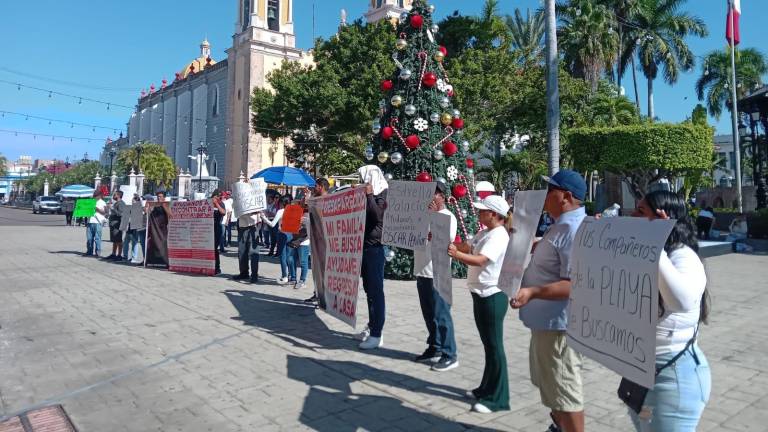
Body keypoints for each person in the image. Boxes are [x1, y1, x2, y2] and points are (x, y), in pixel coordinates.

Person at [511, 170, 588, 432]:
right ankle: (559, 427)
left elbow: (574, 284)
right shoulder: (562, 225)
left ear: (566, 196)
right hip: (546, 324)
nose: (544, 196)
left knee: (566, 391)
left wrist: (532, 292)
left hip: (560, 329)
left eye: (550, 191)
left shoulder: (574, 229)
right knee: (552, 386)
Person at [628, 191, 711, 431]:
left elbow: (680, 301)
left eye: (640, 212)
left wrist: (655, 241)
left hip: (672, 375)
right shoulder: (648, 254)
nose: (632, 215)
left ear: (664, 219)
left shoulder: (683, 256)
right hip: (644, 370)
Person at [448, 195, 511, 413]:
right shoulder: (485, 232)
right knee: (489, 345)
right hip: (480, 293)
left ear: (494, 214)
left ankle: (499, 398)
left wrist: (456, 255)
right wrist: (452, 246)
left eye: (483, 210)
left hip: (492, 295)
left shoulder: (499, 236)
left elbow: (481, 260)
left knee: (495, 346)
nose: (479, 213)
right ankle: (486, 388)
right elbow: (467, 246)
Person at [413, 182, 459, 371]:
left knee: (441, 315)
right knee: (429, 314)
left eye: (433, 194)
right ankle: (435, 346)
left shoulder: (448, 216)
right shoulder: (423, 214)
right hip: (423, 270)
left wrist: (431, 216)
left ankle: (450, 353)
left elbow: (443, 242)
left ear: (441, 196)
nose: (430, 198)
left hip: (438, 272)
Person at [357, 165, 388, 350]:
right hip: (364, 248)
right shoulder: (371, 193)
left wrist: (368, 195)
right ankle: (372, 326)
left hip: (375, 249)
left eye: (364, 178)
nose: (362, 182)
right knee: (369, 291)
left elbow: (377, 216)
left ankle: (377, 334)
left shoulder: (383, 193)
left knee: (376, 292)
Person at [304, 178, 330, 305]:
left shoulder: (327, 200)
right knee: (316, 268)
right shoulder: (315, 200)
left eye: (316, 186)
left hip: (324, 240)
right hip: (315, 239)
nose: (314, 188)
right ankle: (317, 293)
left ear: (321, 186)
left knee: (324, 269)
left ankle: (325, 296)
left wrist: (311, 201)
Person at [261, 196, 296, 284]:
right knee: (290, 257)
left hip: (282, 234)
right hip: (291, 234)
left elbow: (273, 224)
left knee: (282, 256)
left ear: (282, 203)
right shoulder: (294, 210)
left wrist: (264, 218)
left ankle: (285, 276)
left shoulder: (280, 211)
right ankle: (293, 276)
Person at [232, 180, 261, 283]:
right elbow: (235, 209)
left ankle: (254, 275)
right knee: (241, 252)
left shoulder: (255, 198)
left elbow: (259, 209)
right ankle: (244, 273)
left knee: (253, 252)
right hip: (242, 227)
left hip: (253, 227)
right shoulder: (239, 198)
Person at [145, 190, 171, 268]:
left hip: (162, 228)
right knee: (152, 244)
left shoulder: (167, 204)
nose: (158, 198)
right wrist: (147, 208)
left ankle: (165, 262)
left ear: (164, 197)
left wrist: (163, 206)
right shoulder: (155, 205)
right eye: (157, 196)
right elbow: (147, 213)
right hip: (154, 228)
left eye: (160, 196)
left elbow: (170, 214)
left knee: (163, 244)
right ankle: (152, 261)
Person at [122, 194, 144, 264]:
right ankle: (125, 256)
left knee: (134, 243)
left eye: (133, 201)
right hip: (129, 228)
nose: (132, 203)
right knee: (126, 242)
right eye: (132, 201)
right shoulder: (131, 208)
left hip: (136, 228)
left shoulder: (140, 208)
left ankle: (134, 258)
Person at [106, 191, 127, 261]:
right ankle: (113, 254)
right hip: (113, 224)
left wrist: (112, 208)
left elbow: (121, 214)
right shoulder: (117, 203)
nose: (113, 196)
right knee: (114, 240)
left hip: (117, 224)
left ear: (118, 195)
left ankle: (119, 255)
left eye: (114, 194)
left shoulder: (121, 203)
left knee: (118, 240)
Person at [86, 191, 108, 257]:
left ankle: (97, 252)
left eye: (95, 195)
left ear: (99, 196)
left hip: (98, 222)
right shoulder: (91, 201)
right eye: (94, 195)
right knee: (89, 238)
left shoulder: (102, 202)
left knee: (97, 238)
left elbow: (106, 212)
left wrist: (97, 209)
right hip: (90, 221)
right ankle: (89, 251)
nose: (94, 196)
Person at [211, 189, 226, 275]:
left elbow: (223, 212)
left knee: (214, 248)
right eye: (216, 196)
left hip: (217, 228)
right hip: (208, 228)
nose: (218, 197)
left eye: (219, 196)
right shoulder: (208, 203)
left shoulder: (220, 204)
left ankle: (217, 267)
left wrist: (216, 204)